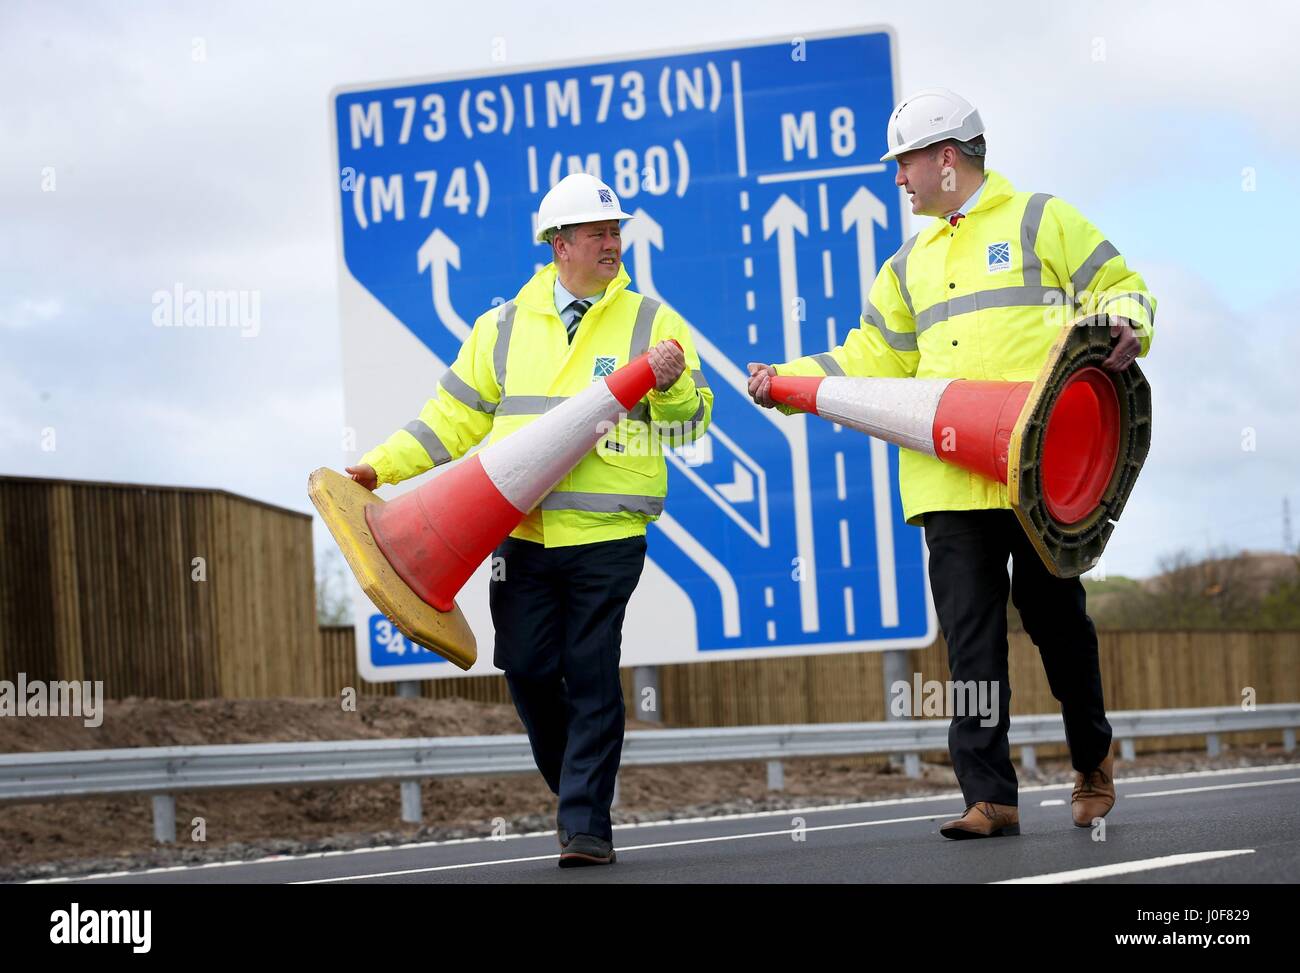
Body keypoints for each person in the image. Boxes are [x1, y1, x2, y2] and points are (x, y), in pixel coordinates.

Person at [747, 88, 1155, 840]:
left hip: (1041, 475)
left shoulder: (1040, 219)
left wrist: (1128, 322)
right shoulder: (907, 264)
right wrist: (792, 382)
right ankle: (990, 795)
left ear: (944, 158)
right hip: (945, 475)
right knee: (969, 637)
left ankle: (1092, 759)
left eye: (903, 164)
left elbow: (1120, 284)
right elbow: (868, 361)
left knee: (1057, 622)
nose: (897, 180)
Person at [347, 172, 712, 865]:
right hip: (519, 534)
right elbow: (449, 420)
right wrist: (381, 467)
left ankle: (585, 824)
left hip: (608, 535)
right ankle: (579, 786)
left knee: (590, 666)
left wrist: (670, 387)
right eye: (597, 233)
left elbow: (693, 423)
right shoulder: (502, 328)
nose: (612, 243)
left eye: (615, 232)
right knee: (526, 669)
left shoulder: (651, 322)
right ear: (558, 243)